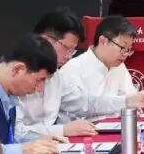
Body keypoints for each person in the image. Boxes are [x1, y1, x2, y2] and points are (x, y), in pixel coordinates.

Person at [0, 34, 64, 154]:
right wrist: (22, 150)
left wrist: (39, 139)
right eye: (39, 80)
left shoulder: (10, 94)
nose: (39, 88)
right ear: (17, 69)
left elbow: (8, 138)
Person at [17, 8, 98, 139]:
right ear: (46, 41)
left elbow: (84, 103)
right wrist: (63, 130)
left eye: (72, 51)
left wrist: (126, 101)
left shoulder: (57, 76)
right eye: (67, 48)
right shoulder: (18, 74)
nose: (68, 57)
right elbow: (15, 132)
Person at [58, 15, 144, 121]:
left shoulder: (119, 67)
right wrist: (126, 101)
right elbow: (81, 107)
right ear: (103, 41)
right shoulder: (73, 69)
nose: (125, 54)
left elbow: (132, 99)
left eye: (128, 49)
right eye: (122, 48)